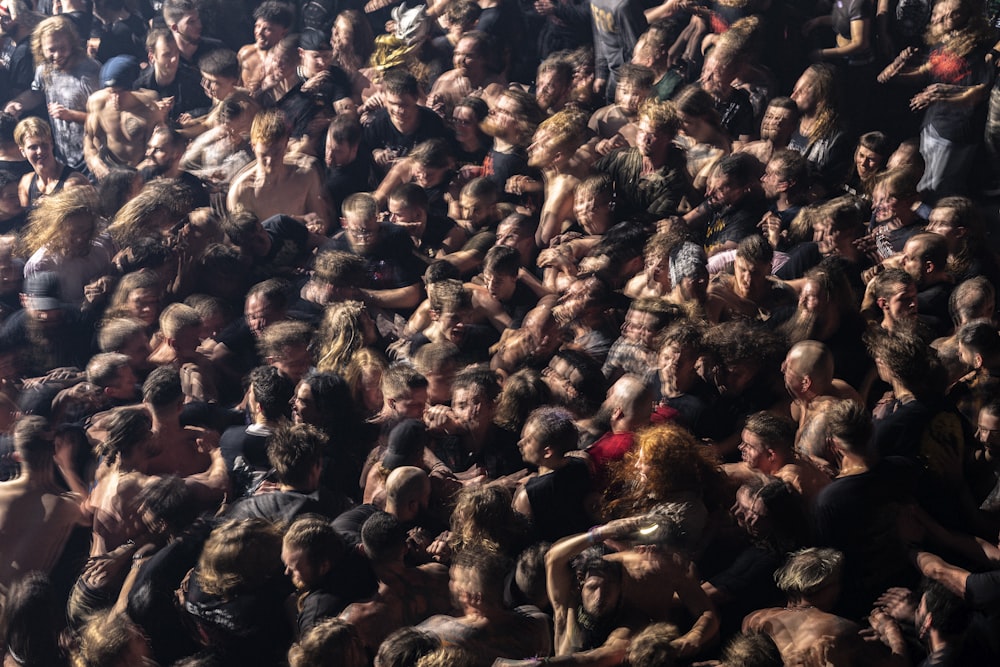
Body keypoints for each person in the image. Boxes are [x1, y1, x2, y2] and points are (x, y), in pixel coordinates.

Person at [743, 548, 908, 665]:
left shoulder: (754, 620)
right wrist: (891, 631)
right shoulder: (839, 630)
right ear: (824, 586)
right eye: (837, 581)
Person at [0, 415, 89, 590]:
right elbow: (91, 516)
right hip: (24, 603)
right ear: (55, 453)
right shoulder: (66, 505)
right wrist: (67, 466)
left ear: (18, 456)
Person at [416, 548, 551, 663]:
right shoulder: (537, 624)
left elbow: (402, 646)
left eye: (453, 579)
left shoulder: (441, 630)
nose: (449, 584)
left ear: (473, 597)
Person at [3, 15, 100, 173]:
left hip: (92, 155)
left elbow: (105, 118)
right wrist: (17, 102)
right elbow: (36, 94)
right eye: (51, 50)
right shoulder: (45, 69)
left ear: (72, 43)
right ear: (41, 48)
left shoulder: (89, 72)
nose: (57, 54)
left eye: (62, 48)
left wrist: (72, 115)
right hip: (63, 157)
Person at [227, 108, 332, 224]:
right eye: (264, 155)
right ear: (253, 146)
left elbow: (321, 220)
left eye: (276, 152)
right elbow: (245, 238)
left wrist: (317, 226)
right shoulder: (242, 191)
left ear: (286, 144)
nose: (270, 160)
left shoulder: (306, 175)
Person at [596, 98, 692, 224]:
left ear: (668, 138)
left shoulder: (673, 178)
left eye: (652, 135)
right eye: (641, 131)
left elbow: (650, 222)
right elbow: (590, 179)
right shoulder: (623, 157)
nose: (644, 139)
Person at [134, 27, 211, 121]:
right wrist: (153, 110)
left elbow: (210, 106)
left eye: (176, 52)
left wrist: (193, 115)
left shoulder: (192, 78)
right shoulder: (140, 85)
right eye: (167, 55)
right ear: (151, 57)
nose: (174, 59)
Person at [238, 1, 293, 95]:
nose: (259, 33)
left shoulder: (291, 59)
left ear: (283, 33)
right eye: (257, 26)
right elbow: (234, 88)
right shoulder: (245, 53)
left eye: (267, 29)